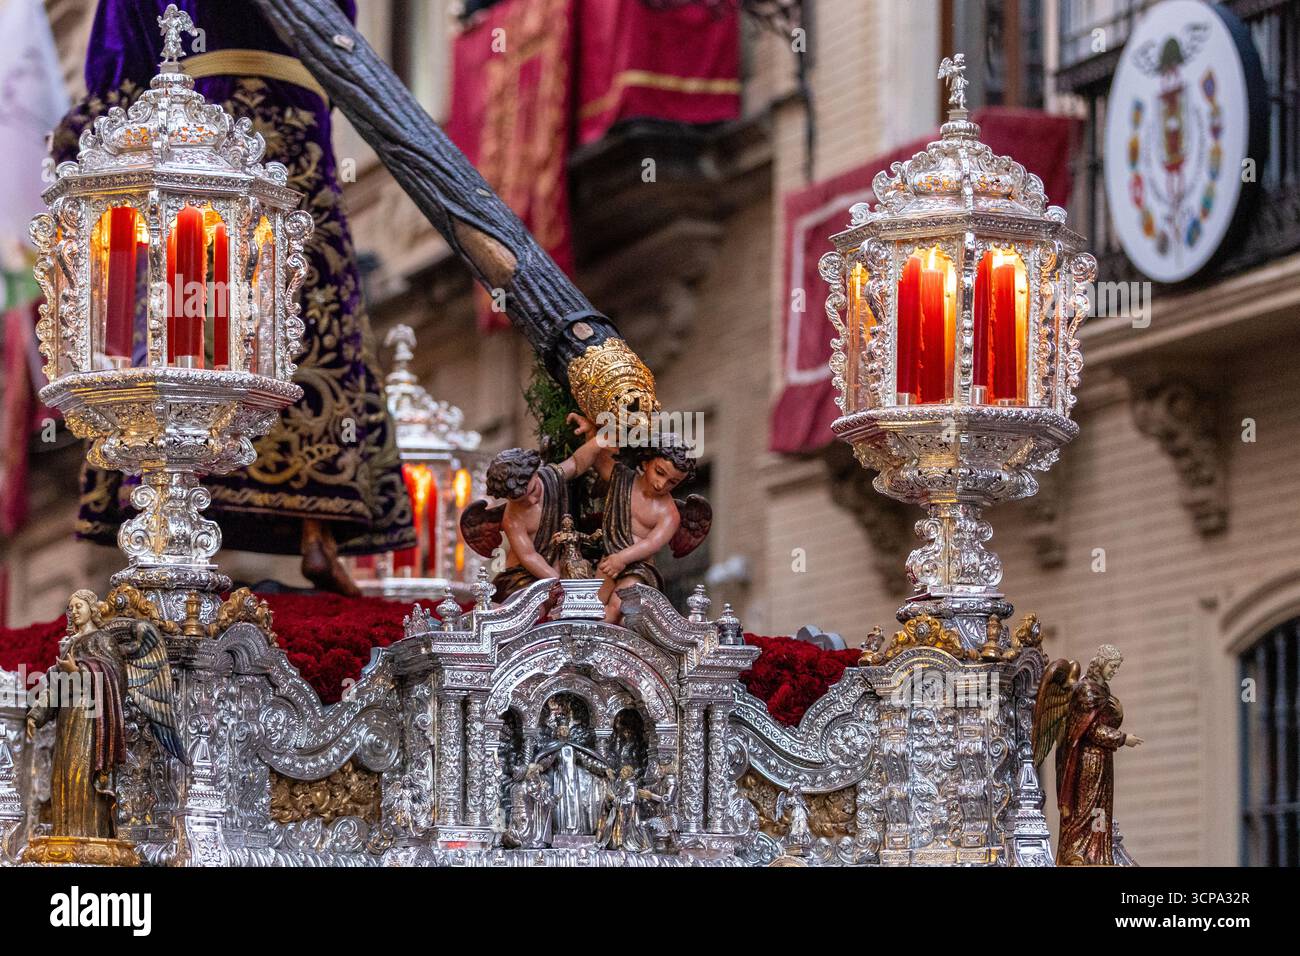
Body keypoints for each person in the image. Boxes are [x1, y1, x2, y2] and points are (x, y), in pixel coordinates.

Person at [52, 0, 413, 593]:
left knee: (200, 324)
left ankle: (168, 511)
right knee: (310, 317)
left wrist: (82, 137)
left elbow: (119, 66)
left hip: (205, 137)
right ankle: (317, 530)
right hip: (299, 140)